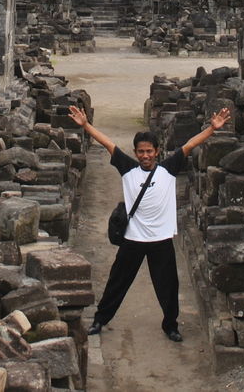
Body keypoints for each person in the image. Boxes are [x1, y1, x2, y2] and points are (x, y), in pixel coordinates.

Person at [68, 102, 232, 342]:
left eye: (149, 151)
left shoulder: (168, 169)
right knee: (117, 283)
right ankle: (100, 319)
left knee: (168, 286)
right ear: (135, 153)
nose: (145, 156)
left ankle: (170, 325)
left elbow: (190, 145)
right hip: (133, 238)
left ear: (157, 151)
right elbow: (107, 143)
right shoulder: (128, 169)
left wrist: (212, 129)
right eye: (141, 152)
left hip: (160, 239)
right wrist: (86, 125)